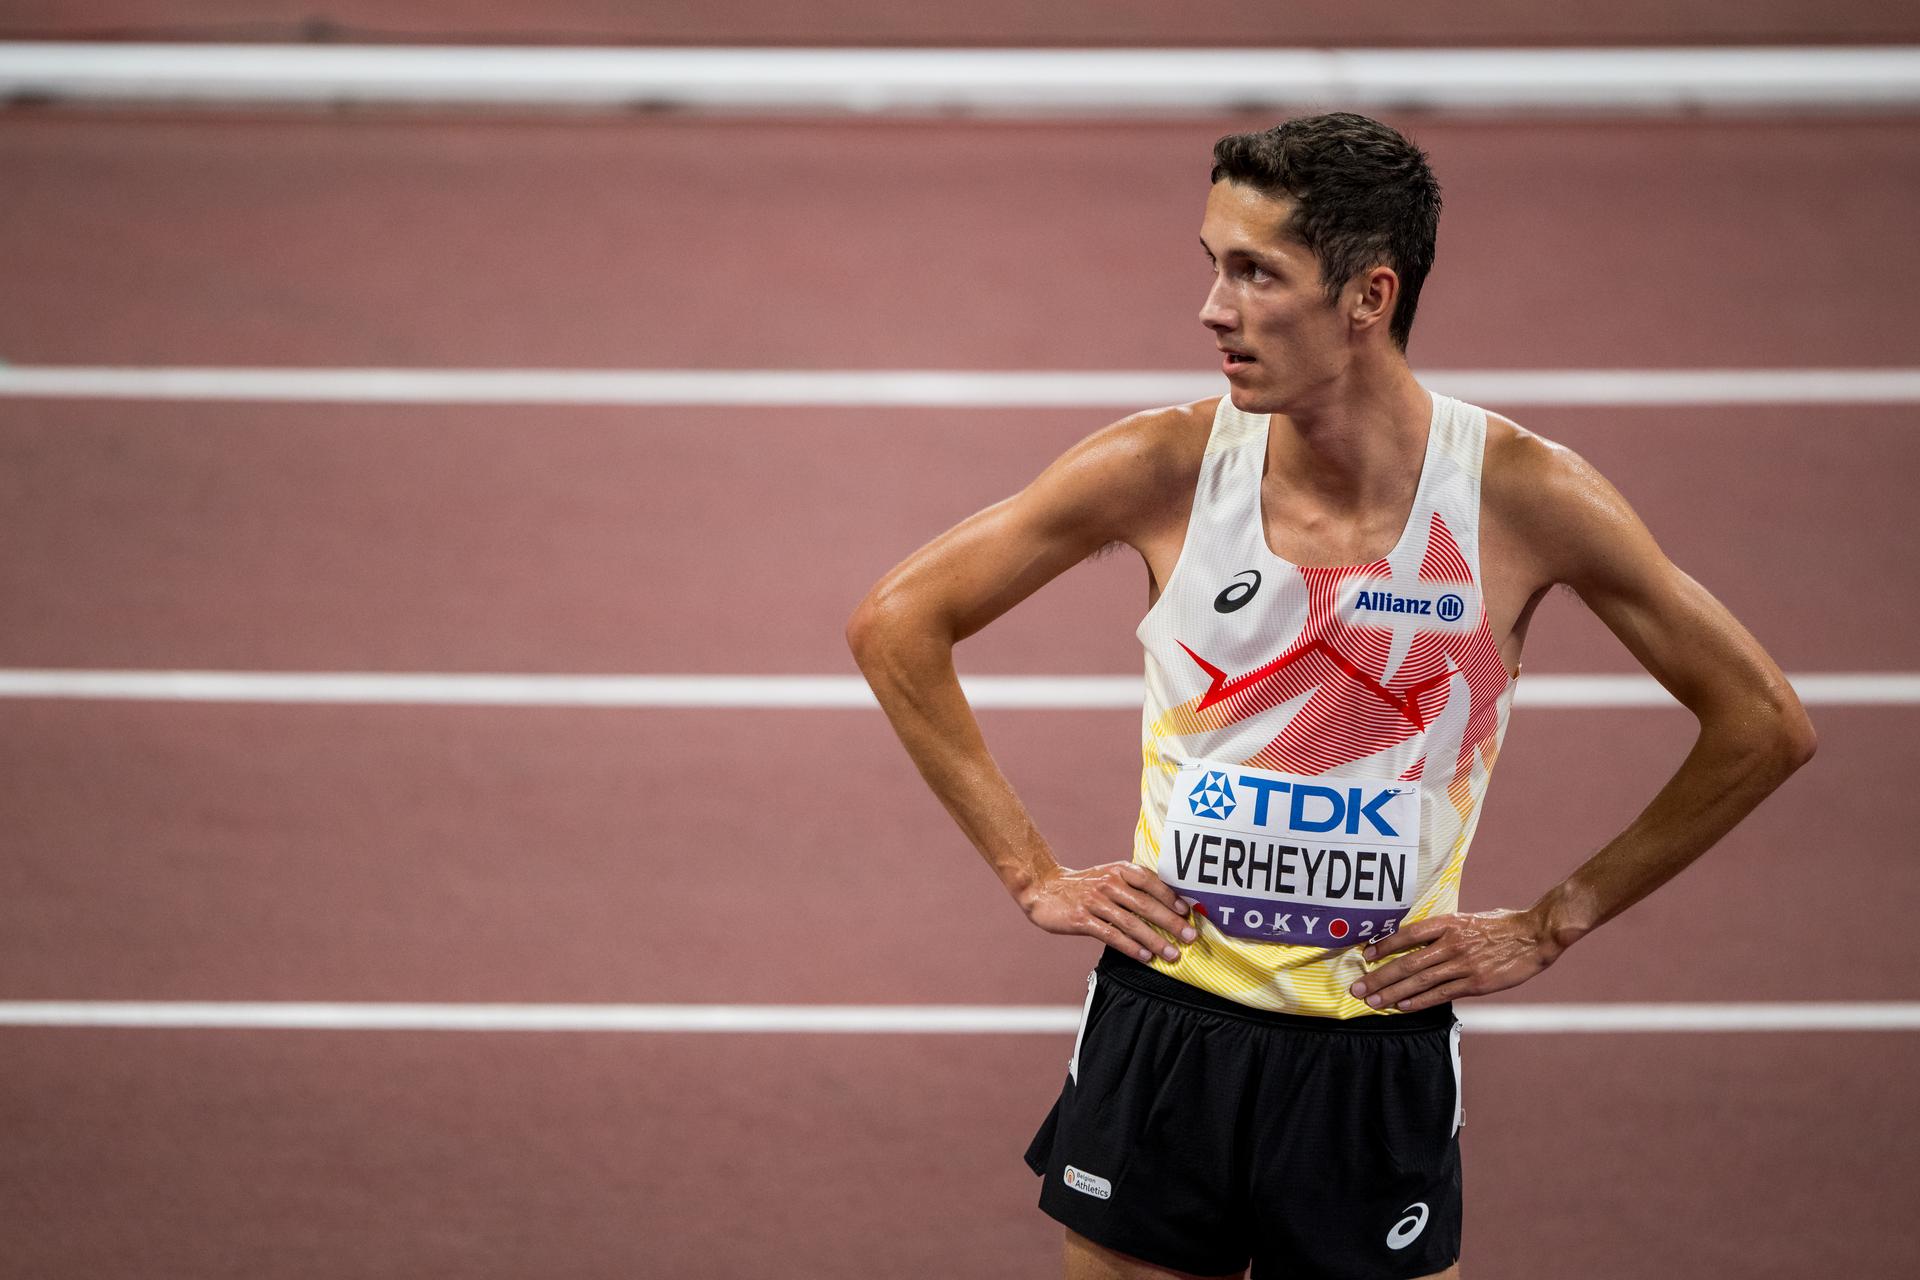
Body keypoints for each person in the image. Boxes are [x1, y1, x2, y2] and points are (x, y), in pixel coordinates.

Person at [845, 112, 1815, 1280]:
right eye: (1211, 262)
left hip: (1374, 1049)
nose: (1213, 306)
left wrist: (1555, 919)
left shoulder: (1520, 496)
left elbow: (1762, 722)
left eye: (1257, 272)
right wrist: (1031, 872)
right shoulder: (1161, 467)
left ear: (1369, 294)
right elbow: (897, 621)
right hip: (1166, 1025)